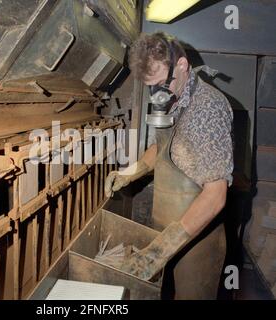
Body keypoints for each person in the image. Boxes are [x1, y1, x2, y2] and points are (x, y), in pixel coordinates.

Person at [105, 32, 234, 300]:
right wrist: (128, 173)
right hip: (167, 233)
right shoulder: (177, 101)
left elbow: (216, 195)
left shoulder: (208, 107)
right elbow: (161, 150)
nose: (158, 92)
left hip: (196, 242)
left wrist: (157, 252)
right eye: (151, 86)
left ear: (183, 65)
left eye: (162, 83)